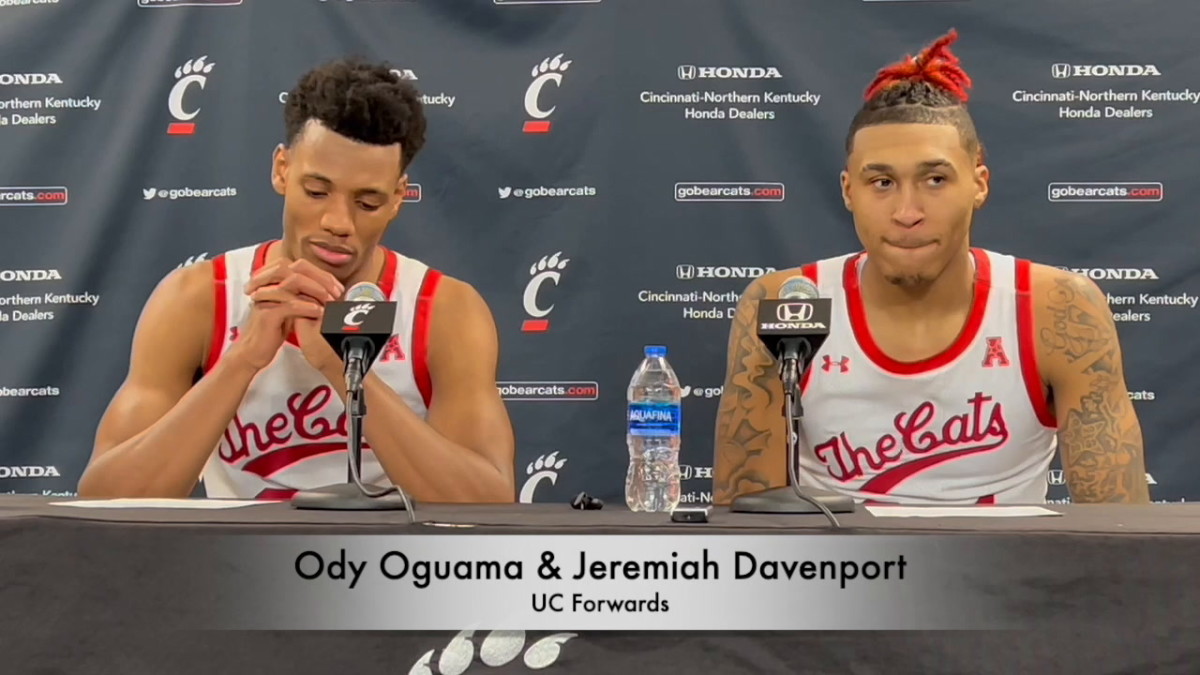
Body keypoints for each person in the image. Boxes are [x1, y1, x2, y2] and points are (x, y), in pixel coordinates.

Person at [713, 30, 1149, 506]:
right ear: (848, 191)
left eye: (935, 179)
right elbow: (747, 524)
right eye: (882, 182)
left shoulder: (1058, 309)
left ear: (979, 184)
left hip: (1008, 557)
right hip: (837, 556)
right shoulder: (785, 304)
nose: (907, 212)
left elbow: (1119, 526)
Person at [79, 58, 516, 502]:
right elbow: (106, 499)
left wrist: (341, 369)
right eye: (317, 192)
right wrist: (243, 358)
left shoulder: (441, 308)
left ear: (398, 197)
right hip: (238, 549)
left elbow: (488, 504)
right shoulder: (200, 296)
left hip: (382, 549)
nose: (337, 222)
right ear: (282, 169)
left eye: (367, 203)